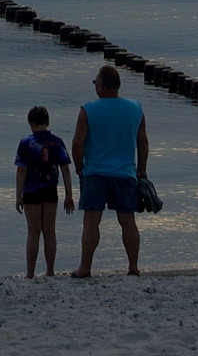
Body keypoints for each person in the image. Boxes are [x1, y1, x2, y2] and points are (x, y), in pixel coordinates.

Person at [71, 65, 148, 277]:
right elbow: (142, 141)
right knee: (127, 221)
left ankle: (85, 268)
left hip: (95, 172)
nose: (95, 85)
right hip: (125, 173)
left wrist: (79, 168)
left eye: (96, 82)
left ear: (102, 85)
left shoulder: (88, 110)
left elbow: (77, 143)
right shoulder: (135, 108)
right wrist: (142, 168)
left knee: (91, 221)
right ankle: (133, 266)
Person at [14, 105, 76, 277]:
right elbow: (65, 169)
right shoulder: (57, 142)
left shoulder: (26, 143)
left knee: (33, 231)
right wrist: (69, 195)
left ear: (31, 123)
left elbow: (21, 170)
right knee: (50, 230)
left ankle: (30, 273)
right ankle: (50, 270)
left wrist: (18, 195)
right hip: (50, 190)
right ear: (48, 122)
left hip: (31, 191)